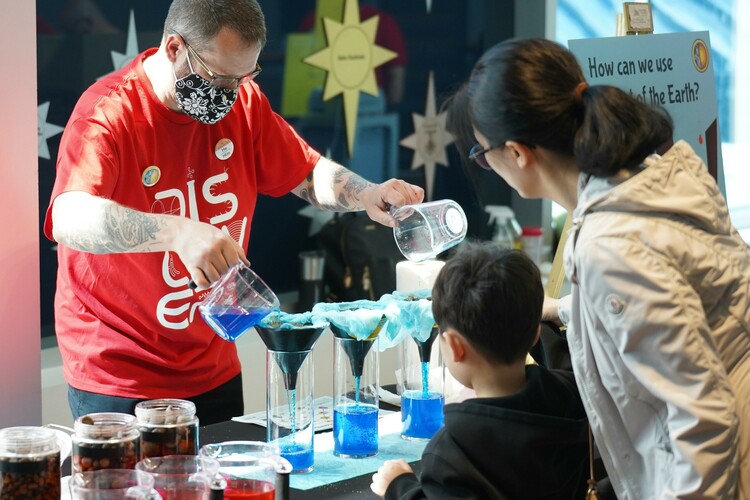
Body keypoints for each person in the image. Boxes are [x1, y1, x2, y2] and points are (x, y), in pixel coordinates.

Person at [44, 0, 423, 426]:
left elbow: (307, 172)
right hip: (119, 373)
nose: (229, 93)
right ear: (174, 49)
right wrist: (176, 233)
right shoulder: (108, 114)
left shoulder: (243, 102)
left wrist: (366, 194)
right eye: (218, 77)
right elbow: (69, 217)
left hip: (212, 364)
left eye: (244, 77)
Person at [450, 37, 750, 499]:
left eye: (482, 153)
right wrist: (573, 309)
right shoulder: (655, 174)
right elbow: (674, 297)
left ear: (517, 153)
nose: (486, 164)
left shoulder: (609, 245)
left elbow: (701, 419)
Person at [370, 243, 589, 499]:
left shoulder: (452, 452)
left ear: (454, 346)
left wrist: (399, 486)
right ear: (535, 335)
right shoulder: (574, 398)